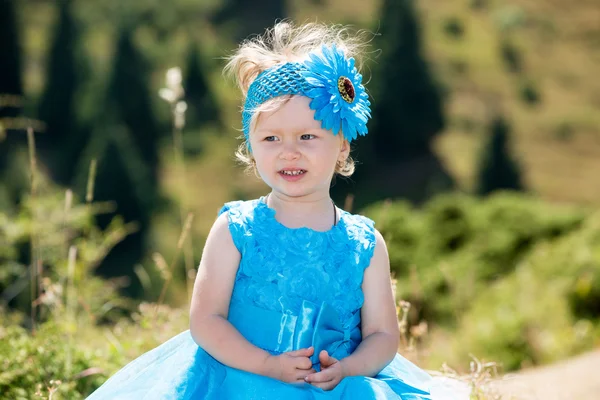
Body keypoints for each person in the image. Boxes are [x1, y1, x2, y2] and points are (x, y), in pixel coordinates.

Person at [86, 21, 470, 400]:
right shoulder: (236, 229)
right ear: (251, 148)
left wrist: (349, 369)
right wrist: (267, 366)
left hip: (336, 386)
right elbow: (206, 321)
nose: (289, 151)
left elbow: (382, 336)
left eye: (308, 136)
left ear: (342, 146)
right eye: (271, 138)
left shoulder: (365, 243)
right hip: (240, 379)